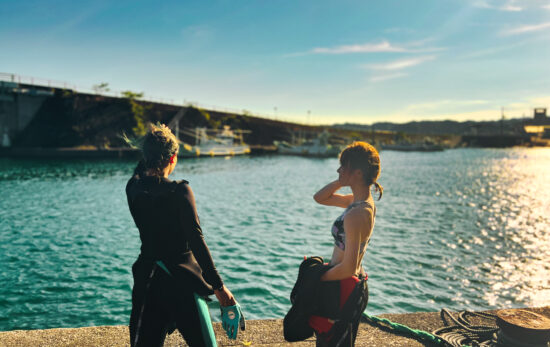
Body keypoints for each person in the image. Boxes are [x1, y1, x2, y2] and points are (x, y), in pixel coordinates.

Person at [125, 123, 241, 347]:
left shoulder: (133, 188)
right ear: (173, 158)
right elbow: (197, 241)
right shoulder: (180, 191)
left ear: (146, 157)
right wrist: (220, 289)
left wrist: (155, 142)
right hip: (183, 283)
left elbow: (141, 172)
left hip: (148, 281)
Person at [311, 141, 382, 346]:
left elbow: (349, 267)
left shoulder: (357, 213)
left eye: (344, 166)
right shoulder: (358, 202)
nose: (338, 169)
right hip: (347, 285)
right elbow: (320, 198)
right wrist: (341, 180)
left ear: (358, 173)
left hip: (344, 287)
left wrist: (317, 279)